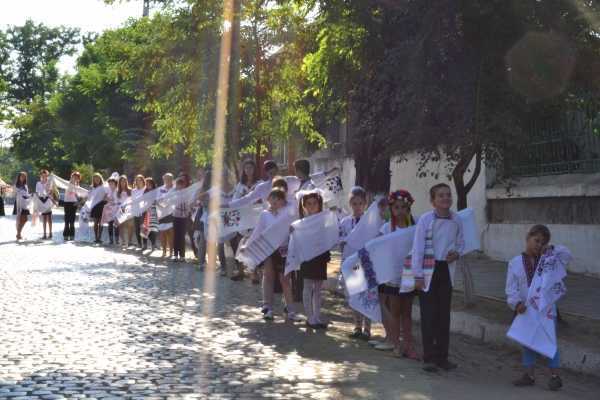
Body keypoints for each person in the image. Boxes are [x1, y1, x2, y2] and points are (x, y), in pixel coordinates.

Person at [411, 183, 464, 373]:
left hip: (445, 270)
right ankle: (429, 357)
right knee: (428, 314)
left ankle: (442, 357)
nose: (445, 198)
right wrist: (417, 275)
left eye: (448, 195)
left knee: (443, 315)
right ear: (433, 201)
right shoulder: (426, 220)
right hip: (428, 269)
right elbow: (418, 248)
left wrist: (457, 253)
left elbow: (461, 242)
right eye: (440, 195)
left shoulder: (456, 220)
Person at [506, 225, 565, 391]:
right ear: (528, 238)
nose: (539, 245)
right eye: (536, 240)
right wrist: (516, 303)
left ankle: (555, 376)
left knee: (549, 341)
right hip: (525, 310)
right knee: (528, 342)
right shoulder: (515, 263)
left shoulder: (548, 261)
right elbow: (511, 289)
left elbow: (567, 255)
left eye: (542, 242)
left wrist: (552, 249)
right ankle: (529, 375)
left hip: (547, 310)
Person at [248, 188, 301, 322]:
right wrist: (248, 245)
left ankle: (290, 309)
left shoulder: (288, 214)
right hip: (268, 250)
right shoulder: (264, 215)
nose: (275, 201)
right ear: (268, 199)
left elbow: (294, 229)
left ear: (283, 201)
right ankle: (268, 307)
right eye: (273, 198)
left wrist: (293, 230)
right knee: (268, 277)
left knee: (285, 280)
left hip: (284, 250)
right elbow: (258, 231)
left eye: (279, 199)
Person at [379, 190, 419, 360]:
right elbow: (378, 249)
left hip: (409, 275)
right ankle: (396, 344)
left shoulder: (414, 229)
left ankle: (408, 346)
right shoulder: (386, 228)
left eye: (403, 207)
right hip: (393, 276)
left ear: (408, 208)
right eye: (396, 207)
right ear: (391, 209)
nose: (400, 210)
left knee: (407, 313)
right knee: (394, 312)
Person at [339, 186, 371, 340]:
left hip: (365, 262)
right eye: (354, 203)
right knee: (354, 295)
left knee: (367, 294)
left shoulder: (370, 221)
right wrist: (346, 242)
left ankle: (367, 328)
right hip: (350, 261)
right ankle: (357, 326)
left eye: (360, 204)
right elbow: (339, 239)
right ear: (350, 204)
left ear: (365, 204)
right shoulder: (345, 222)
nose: (357, 207)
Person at [298, 190, 330, 330]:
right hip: (307, 257)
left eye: (314, 203)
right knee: (307, 286)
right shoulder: (301, 223)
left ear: (319, 204)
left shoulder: (324, 220)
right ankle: (310, 317)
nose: (312, 206)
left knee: (318, 288)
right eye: (309, 204)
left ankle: (317, 316)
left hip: (320, 257)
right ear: (304, 206)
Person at [230, 159, 262, 281]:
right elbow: (234, 200)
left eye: (251, 168)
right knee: (240, 243)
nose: (248, 170)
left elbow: (265, 198)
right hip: (243, 218)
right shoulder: (240, 185)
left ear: (254, 169)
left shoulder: (260, 184)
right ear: (243, 170)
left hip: (256, 217)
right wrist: (242, 199)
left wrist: (258, 200)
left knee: (254, 244)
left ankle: (254, 273)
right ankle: (241, 271)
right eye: (246, 168)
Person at [172, 177, 192, 262]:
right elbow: (170, 201)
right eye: (178, 185)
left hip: (184, 216)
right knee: (176, 236)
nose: (180, 186)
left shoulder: (187, 193)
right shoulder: (174, 193)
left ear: (184, 185)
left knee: (182, 236)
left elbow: (189, 203)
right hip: (176, 216)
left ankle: (182, 255)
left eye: (181, 185)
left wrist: (188, 213)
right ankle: (175, 255)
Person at [158, 173, 175, 258]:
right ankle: (164, 251)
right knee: (162, 234)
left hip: (172, 213)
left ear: (172, 180)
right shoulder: (160, 189)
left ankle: (171, 251)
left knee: (171, 233)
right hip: (162, 213)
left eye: (169, 179)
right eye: (165, 179)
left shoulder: (175, 189)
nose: (167, 180)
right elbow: (157, 199)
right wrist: (161, 203)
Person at [141, 177, 159, 252]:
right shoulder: (145, 192)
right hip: (146, 212)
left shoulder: (156, 192)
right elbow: (142, 201)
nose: (148, 185)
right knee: (145, 228)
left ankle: (153, 245)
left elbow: (158, 201)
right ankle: (144, 245)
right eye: (147, 184)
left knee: (153, 229)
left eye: (149, 183)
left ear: (152, 184)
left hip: (154, 213)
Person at [63, 171, 82, 241]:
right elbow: (59, 182)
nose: (75, 178)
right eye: (74, 176)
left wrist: (78, 202)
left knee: (72, 220)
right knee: (66, 220)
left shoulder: (77, 186)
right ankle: (65, 235)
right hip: (67, 203)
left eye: (77, 177)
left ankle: (72, 235)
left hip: (73, 204)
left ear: (78, 179)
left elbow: (79, 195)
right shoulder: (66, 183)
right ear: (71, 177)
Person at [36, 169, 54, 239]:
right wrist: (39, 199)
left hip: (48, 200)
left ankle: (50, 233)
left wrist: (48, 195)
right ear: (40, 175)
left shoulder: (49, 183)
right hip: (42, 201)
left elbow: (51, 191)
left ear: (47, 176)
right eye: (42, 175)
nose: (44, 177)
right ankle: (44, 234)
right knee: (44, 218)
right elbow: (37, 192)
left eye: (45, 175)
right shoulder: (38, 183)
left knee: (49, 218)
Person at [102, 174, 120, 245]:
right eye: (109, 184)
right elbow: (104, 198)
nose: (111, 185)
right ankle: (111, 239)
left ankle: (117, 240)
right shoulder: (108, 191)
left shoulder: (118, 191)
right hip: (109, 210)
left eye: (112, 183)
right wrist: (107, 198)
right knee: (110, 225)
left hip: (116, 209)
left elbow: (119, 200)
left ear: (115, 184)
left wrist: (114, 201)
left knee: (116, 225)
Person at [117, 175, 134, 247]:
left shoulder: (130, 190)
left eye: (124, 181)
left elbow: (132, 200)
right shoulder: (117, 191)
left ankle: (129, 241)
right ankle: (123, 241)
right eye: (121, 181)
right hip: (120, 210)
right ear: (119, 182)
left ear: (126, 182)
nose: (123, 182)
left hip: (129, 210)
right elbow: (116, 201)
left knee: (130, 226)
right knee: (121, 226)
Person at [90, 173, 107, 244]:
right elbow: (89, 196)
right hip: (94, 206)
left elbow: (107, 194)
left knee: (101, 222)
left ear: (100, 179)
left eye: (98, 178)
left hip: (102, 205)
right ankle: (96, 237)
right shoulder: (92, 187)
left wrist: (105, 198)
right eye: (95, 179)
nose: (96, 180)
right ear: (93, 180)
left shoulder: (104, 187)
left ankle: (99, 237)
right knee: (95, 222)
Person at [14, 171, 31, 240]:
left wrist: (31, 195)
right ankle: (18, 234)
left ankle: (18, 234)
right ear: (19, 177)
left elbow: (26, 194)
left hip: (25, 204)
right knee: (20, 219)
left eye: (24, 177)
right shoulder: (16, 185)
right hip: (20, 204)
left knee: (25, 219)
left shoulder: (25, 186)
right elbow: (17, 194)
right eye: (22, 176)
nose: (23, 178)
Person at [131, 174, 146, 250]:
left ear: (143, 181)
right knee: (137, 229)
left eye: (140, 180)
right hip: (136, 211)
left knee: (143, 228)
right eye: (137, 180)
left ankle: (145, 244)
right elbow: (132, 200)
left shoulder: (146, 189)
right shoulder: (133, 191)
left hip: (144, 211)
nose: (138, 182)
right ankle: (139, 243)